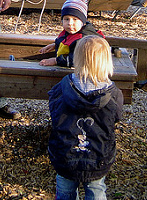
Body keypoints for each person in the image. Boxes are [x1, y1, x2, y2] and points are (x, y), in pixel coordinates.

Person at [47, 35, 123, 199]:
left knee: (65, 191)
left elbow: (53, 110)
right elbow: (117, 116)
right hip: (98, 155)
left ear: (77, 59)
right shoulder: (113, 94)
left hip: (66, 153)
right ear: (106, 61)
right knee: (96, 191)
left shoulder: (63, 87)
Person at [39, 0, 104, 67]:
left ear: (83, 22)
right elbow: (66, 40)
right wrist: (55, 45)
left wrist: (56, 61)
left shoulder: (86, 40)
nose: (70, 23)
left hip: (83, 72)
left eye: (75, 19)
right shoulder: (69, 32)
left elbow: (77, 60)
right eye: (66, 19)